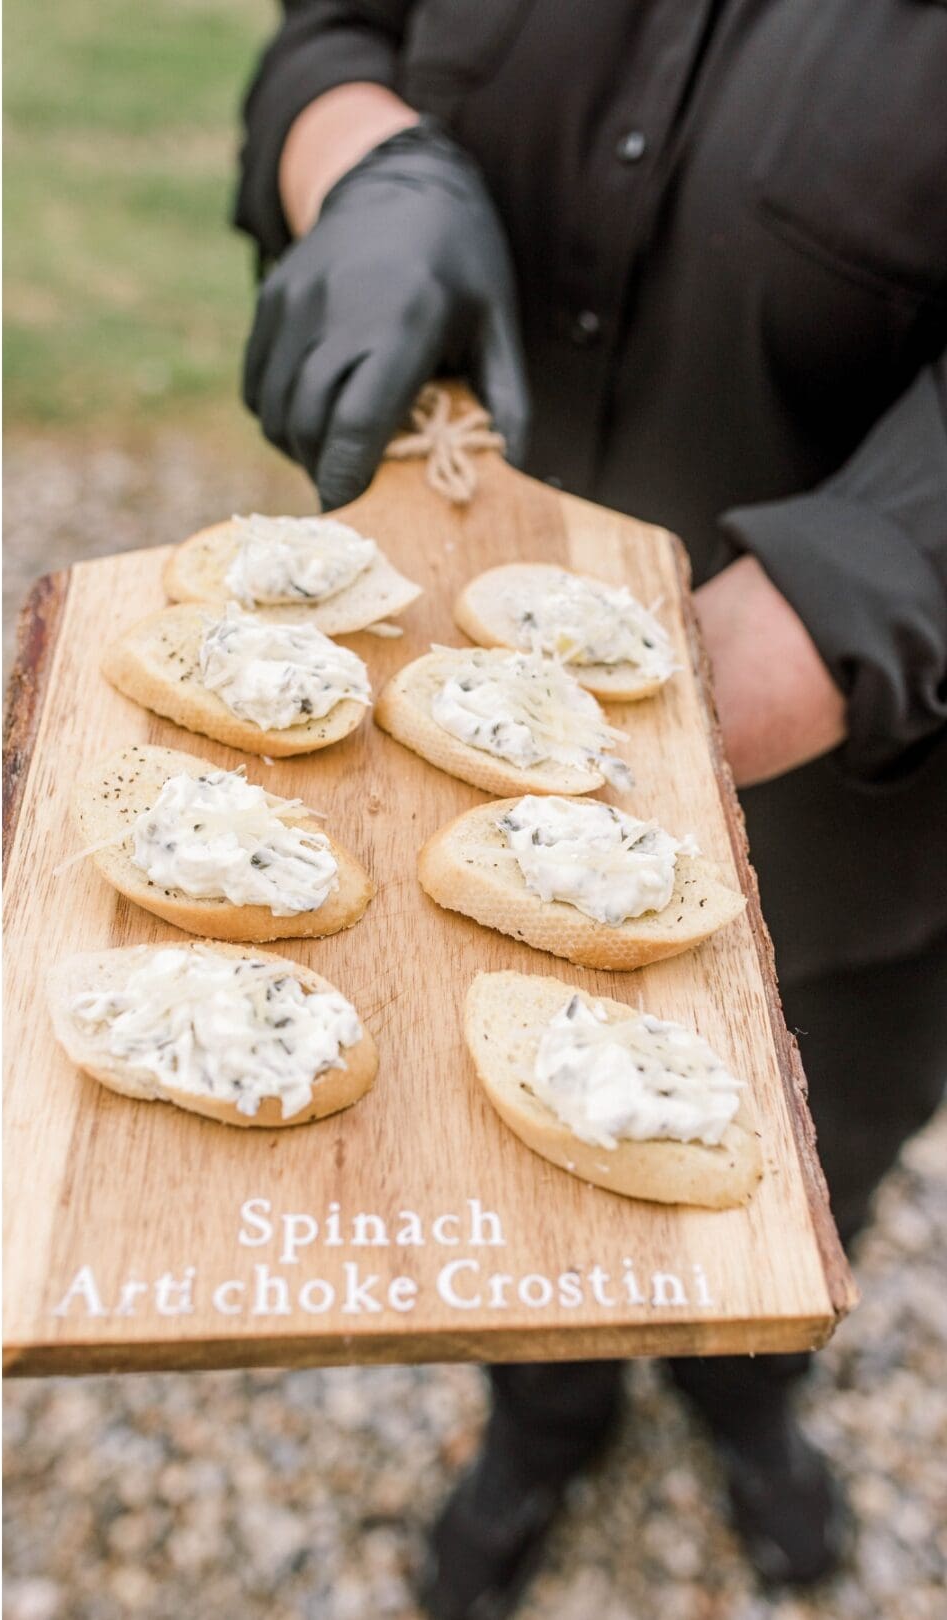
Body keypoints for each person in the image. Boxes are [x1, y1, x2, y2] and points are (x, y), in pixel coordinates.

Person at [234, 7, 947, 1617]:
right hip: (438, 716)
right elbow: (331, 31)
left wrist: (860, 602)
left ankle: (743, 1397)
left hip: (855, 801)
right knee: (493, 1143)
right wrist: (373, 166)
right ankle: (545, 1413)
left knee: (808, 1161)